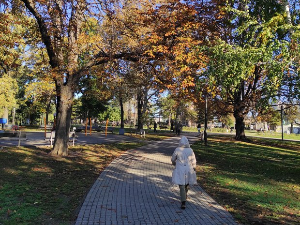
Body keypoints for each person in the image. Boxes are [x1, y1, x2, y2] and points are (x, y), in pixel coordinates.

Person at [171, 136, 197, 209]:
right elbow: (193, 160)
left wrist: (174, 163)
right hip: (189, 168)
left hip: (180, 169)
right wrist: (194, 167)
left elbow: (173, 158)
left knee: (181, 184)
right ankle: (184, 196)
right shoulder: (190, 150)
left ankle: (183, 202)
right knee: (187, 183)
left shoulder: (177, 149)